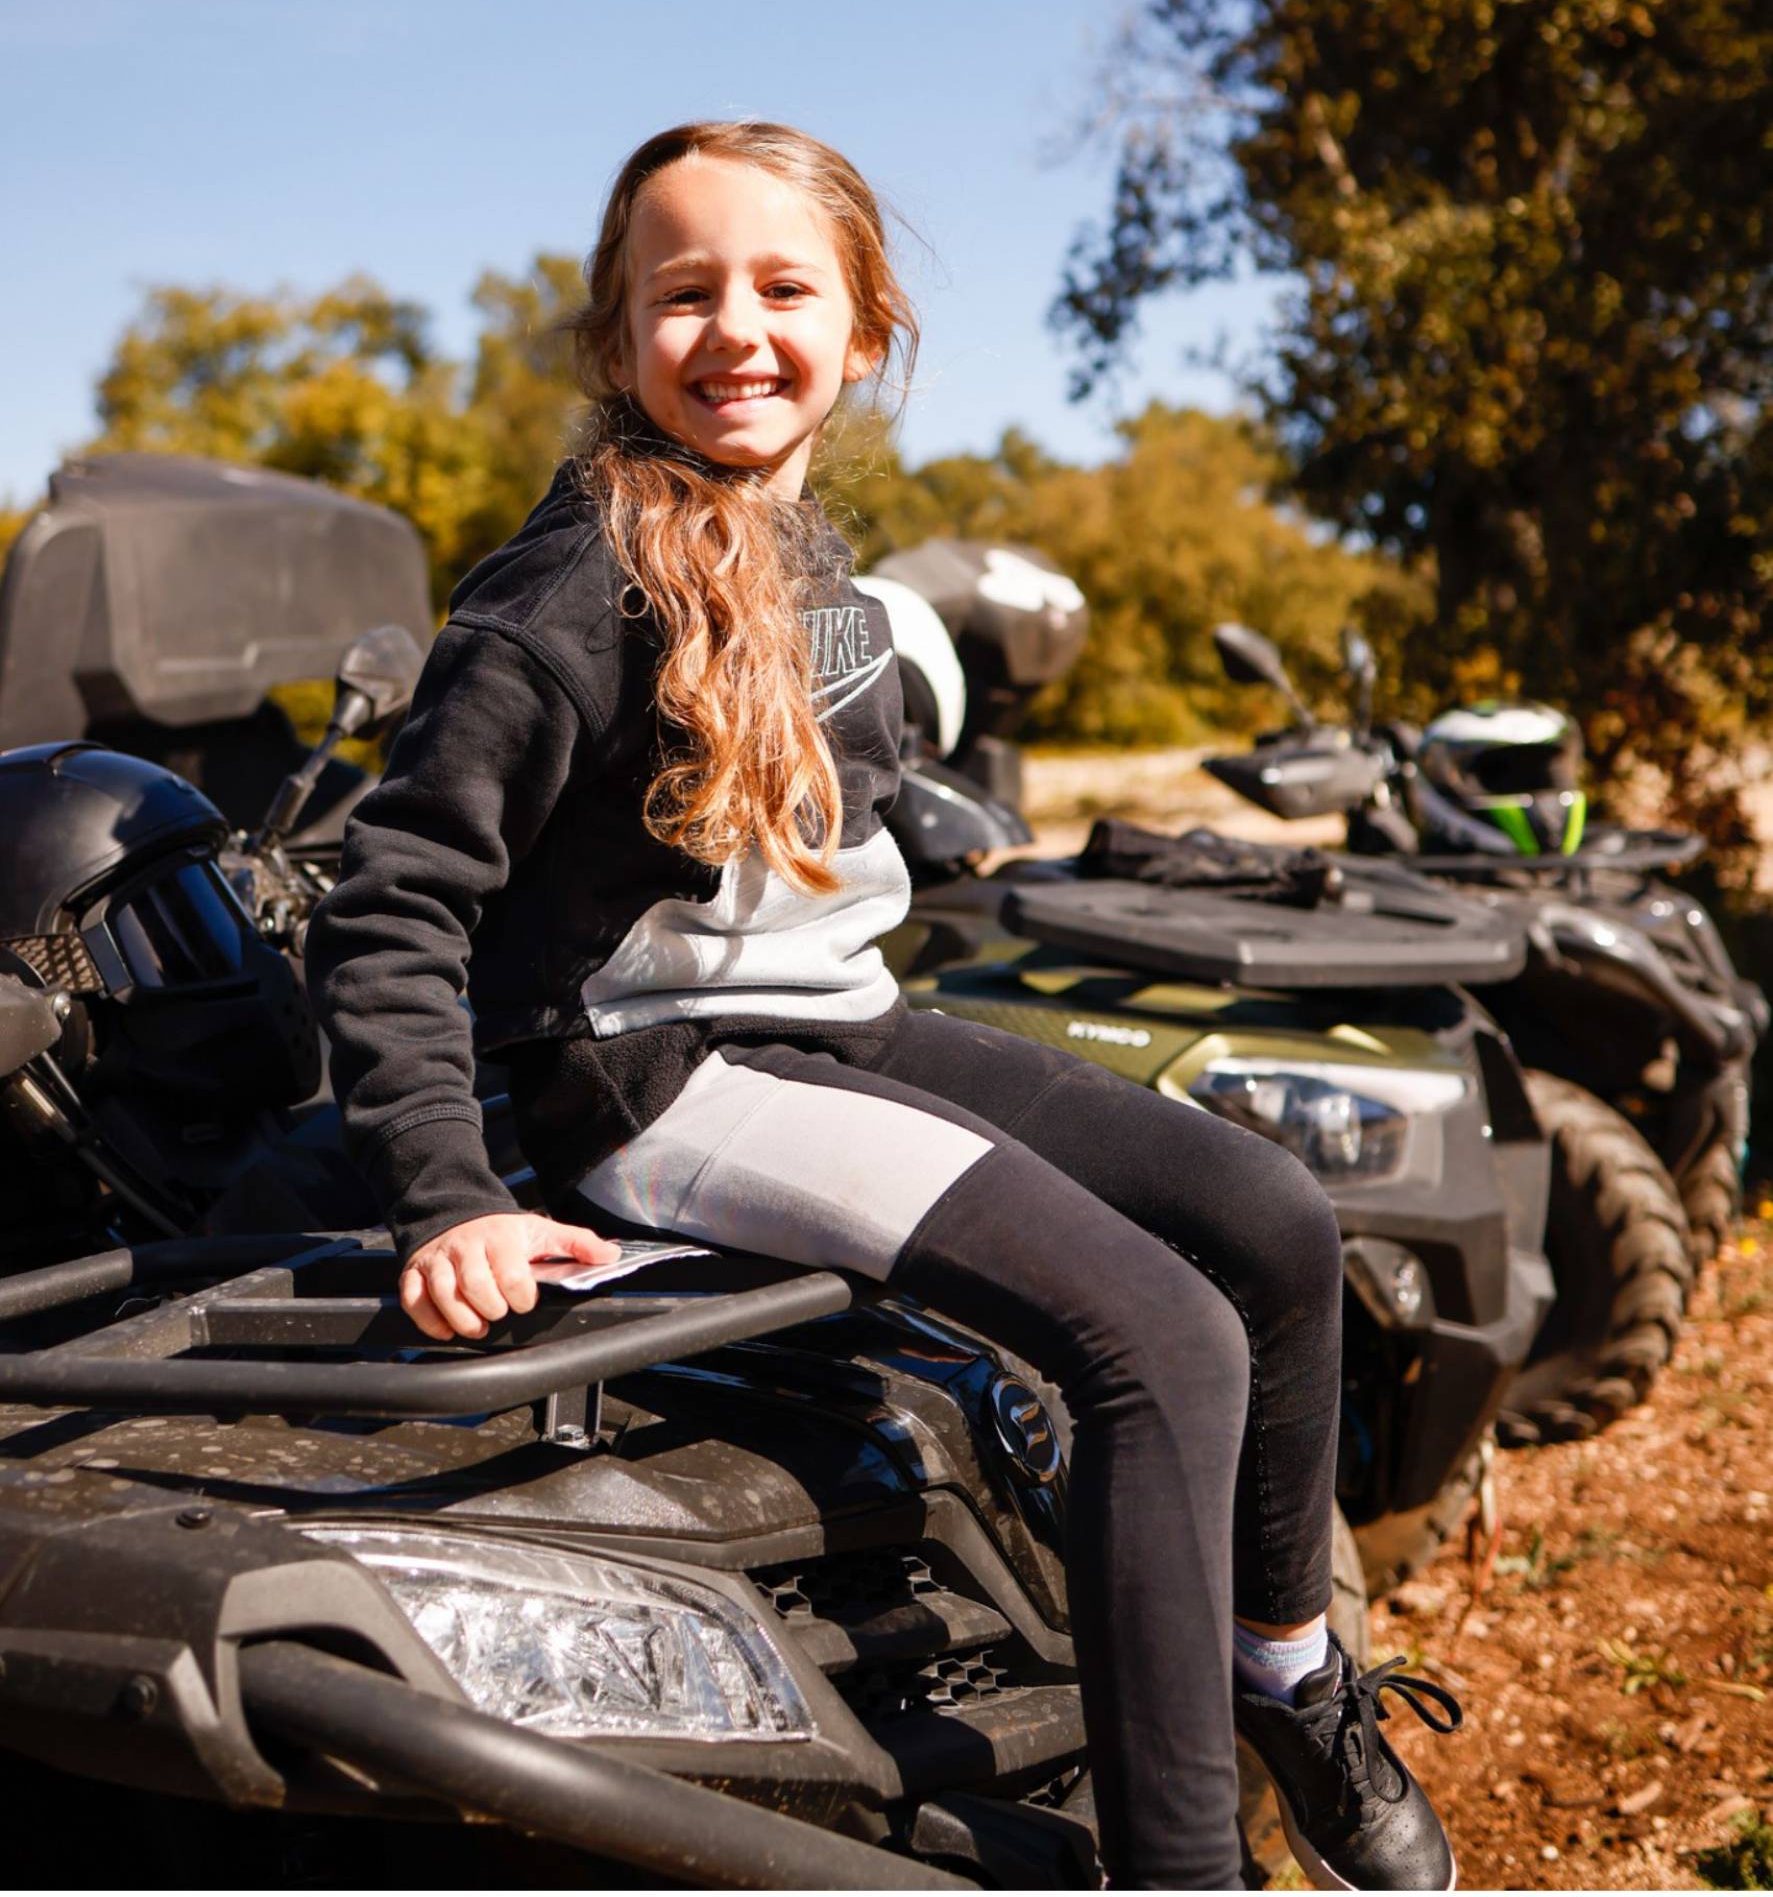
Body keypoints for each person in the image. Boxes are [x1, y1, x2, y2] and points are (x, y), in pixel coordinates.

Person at [307, 119, 1461, 1891]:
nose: (733, 328)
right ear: (618, 346)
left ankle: (1287, 1682)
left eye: (784, 287)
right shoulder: (559, 601)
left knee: (1272, 1216)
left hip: (826, 1023)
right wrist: (447, 1196)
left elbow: (809, 839)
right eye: (680, 293)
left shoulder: (808, 559)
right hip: (649, 1073)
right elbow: (391, 902)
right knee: (1159, 1336)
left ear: (862, 333)